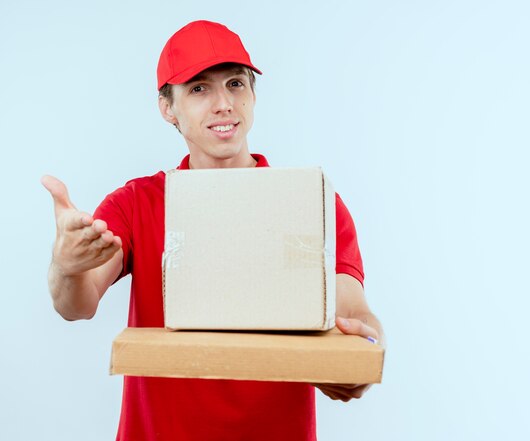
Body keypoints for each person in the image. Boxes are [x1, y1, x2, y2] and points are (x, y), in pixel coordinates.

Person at [42, 20, 384, 441]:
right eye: (199, 88)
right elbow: (77, 304)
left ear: (254, 97)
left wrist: (363, 357)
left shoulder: (313, 203)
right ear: (168, 108)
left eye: (236, 84)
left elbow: (356, 314)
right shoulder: (136, 204)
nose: (223, 103)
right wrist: (66, 265)